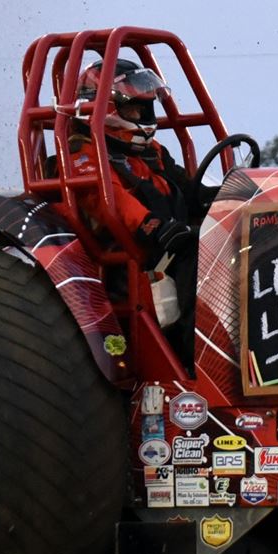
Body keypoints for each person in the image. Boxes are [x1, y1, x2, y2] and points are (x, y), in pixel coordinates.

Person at [64, 57, 202, 344]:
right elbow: (109, 201)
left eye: (144, 106)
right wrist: (153, 226)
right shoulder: (83, 152)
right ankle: (196, 352)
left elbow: (189, 190)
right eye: (133, 107)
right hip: (127, 257)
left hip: (166, 244)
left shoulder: (151, 151)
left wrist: (234, 195)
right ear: (110, 109)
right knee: (197, 254)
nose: (141, 114)